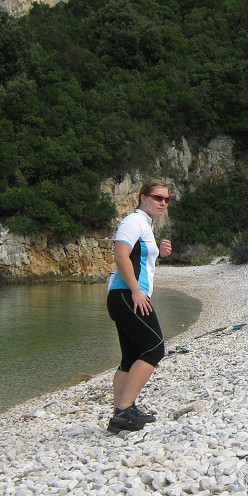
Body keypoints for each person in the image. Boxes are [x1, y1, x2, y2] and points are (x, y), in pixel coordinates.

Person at [106, 179, 173, 432]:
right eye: (158, 198)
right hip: (128, 294)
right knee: (154, 349)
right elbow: (120, 255)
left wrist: (160, 254)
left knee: (130, 357)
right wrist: (136, 291)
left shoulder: (144, 224)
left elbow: (138, 260)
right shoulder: (133, 221)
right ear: (143, 198)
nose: (163, 203)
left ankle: (121, 412)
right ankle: (125, 409)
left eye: (166, 199)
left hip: (124, 295)